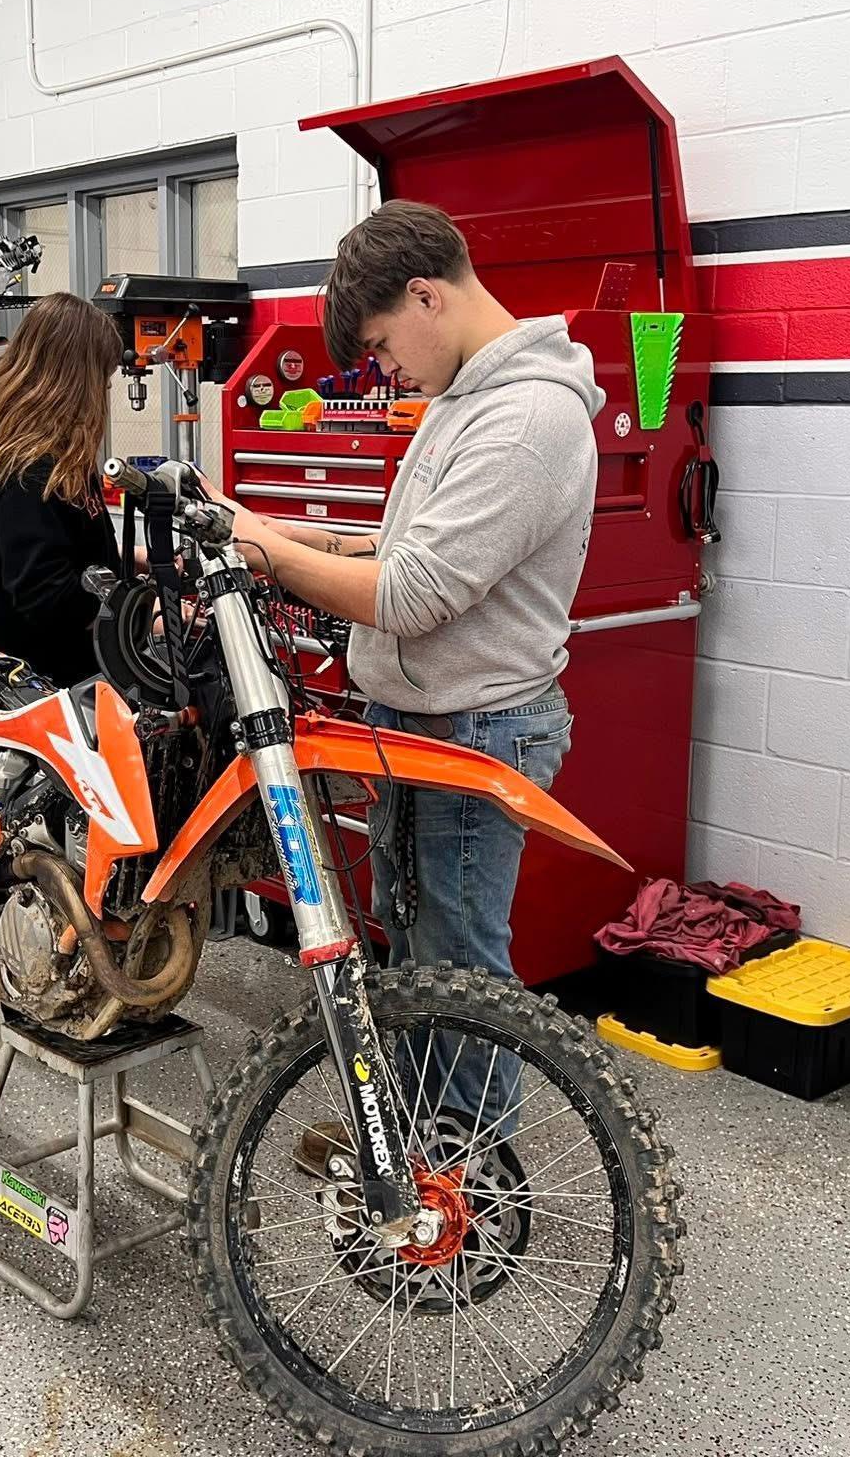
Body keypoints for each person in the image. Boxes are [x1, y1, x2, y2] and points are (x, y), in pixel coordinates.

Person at [227, 199, 601, 1130]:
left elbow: (410, 594)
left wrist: (268, 553)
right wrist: (273, 531)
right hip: (421, 721)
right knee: (415, 954)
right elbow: (400, 550)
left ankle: (470, 1178)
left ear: (427, 296)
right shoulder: (462, 400)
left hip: (475, 728)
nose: (384, 369)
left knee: (459, 968)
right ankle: (414, 1146)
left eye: (383, 344)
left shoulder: (526, 419)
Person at [0, 292, 122, 687]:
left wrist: (138, 559)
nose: (107, 390)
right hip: (57, 686)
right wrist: (138, 614)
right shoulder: (28, 471)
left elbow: (73, 552)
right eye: (103, 377)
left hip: (82, 672)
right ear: (75, 380)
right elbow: (46, 599)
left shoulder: (62, 456)